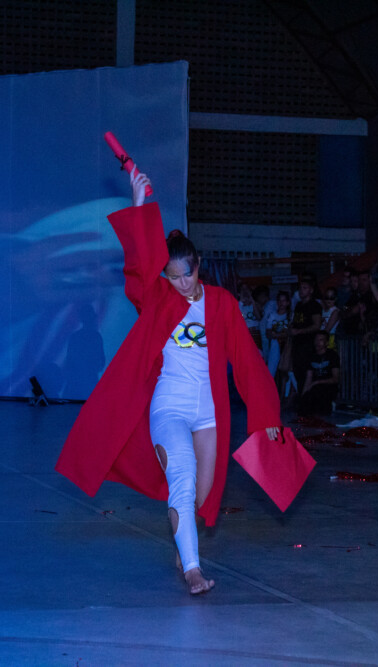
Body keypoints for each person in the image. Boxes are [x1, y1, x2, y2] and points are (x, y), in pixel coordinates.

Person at [56, 168, 281, 595]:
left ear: (199, 266)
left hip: (209, 412)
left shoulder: (221, 303)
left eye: (186, 275)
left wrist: (266, 412)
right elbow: (138, 267)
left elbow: (247, 359)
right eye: (172, 277)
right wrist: (139, 203)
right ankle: (193, 569)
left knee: (203, 495)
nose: (180, 284)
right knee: (182, 477)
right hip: (169, 406)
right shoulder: (158, 299)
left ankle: (184, 543)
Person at [299, 331, 340, 416]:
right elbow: (308, 378)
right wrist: (303, 396)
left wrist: (317, 382)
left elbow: (335, 378)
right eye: (316, 340)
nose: (317, 342)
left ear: (326, 343)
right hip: (314, 387)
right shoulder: (311, 356)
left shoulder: (332, 355)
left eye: (321, 340)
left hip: (328, 386)